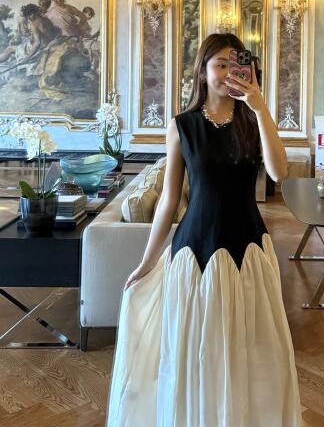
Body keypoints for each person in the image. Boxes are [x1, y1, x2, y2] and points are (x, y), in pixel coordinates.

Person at [107, 33, 302, 427]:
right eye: (220, 64)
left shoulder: (253, 120)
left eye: (236, 64)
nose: (229, 72)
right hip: (194, 252)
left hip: (249, 249)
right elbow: (168, 199)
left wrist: (260, 106)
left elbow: (279, 172)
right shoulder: (183, 126)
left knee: (249, 347)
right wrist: (147, 262)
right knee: (198, 347)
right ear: (202, 72)